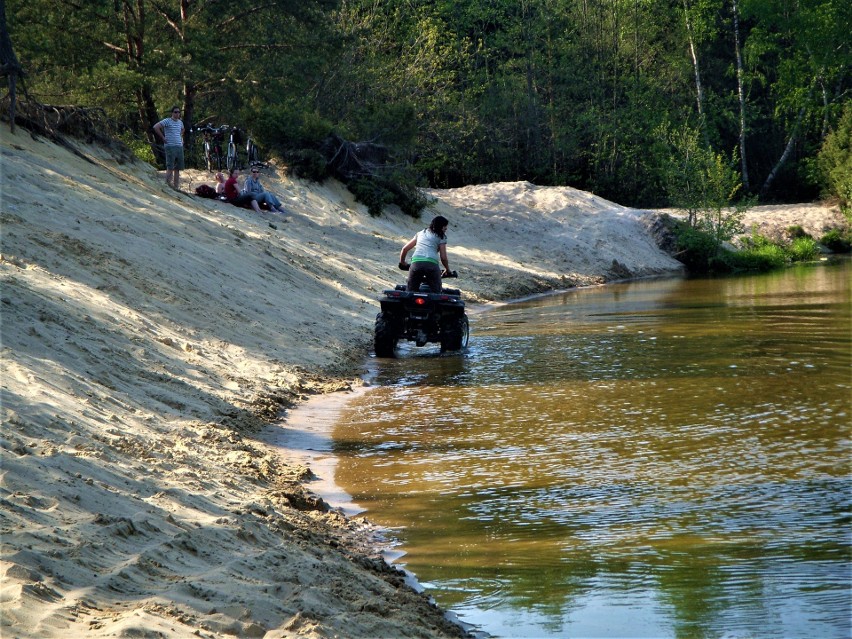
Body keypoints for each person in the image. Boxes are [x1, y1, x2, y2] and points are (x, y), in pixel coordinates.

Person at [399, 215, 451, 293]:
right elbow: (443, 258)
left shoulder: (420, 233)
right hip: (432, 265)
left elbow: (405, 249)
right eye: (444, 227)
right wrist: (447, 269)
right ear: (440, 226)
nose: (446, 229)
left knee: (410, 291)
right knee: (436, 292)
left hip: (416, 263)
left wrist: (402, 262)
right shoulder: (442, 237)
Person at [153, 106, 185, 191]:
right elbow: (156, 127)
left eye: (178, 112)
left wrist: (181, 138)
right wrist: (163, 138)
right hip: (170, 146)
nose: (177, 113)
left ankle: (176, 187)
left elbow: (183, 130)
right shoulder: (167, 121)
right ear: (172, 113)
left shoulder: (180, 122)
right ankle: (167, 186)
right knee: (170, 166)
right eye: (175, 112)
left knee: (178, 168)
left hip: (179, 146)